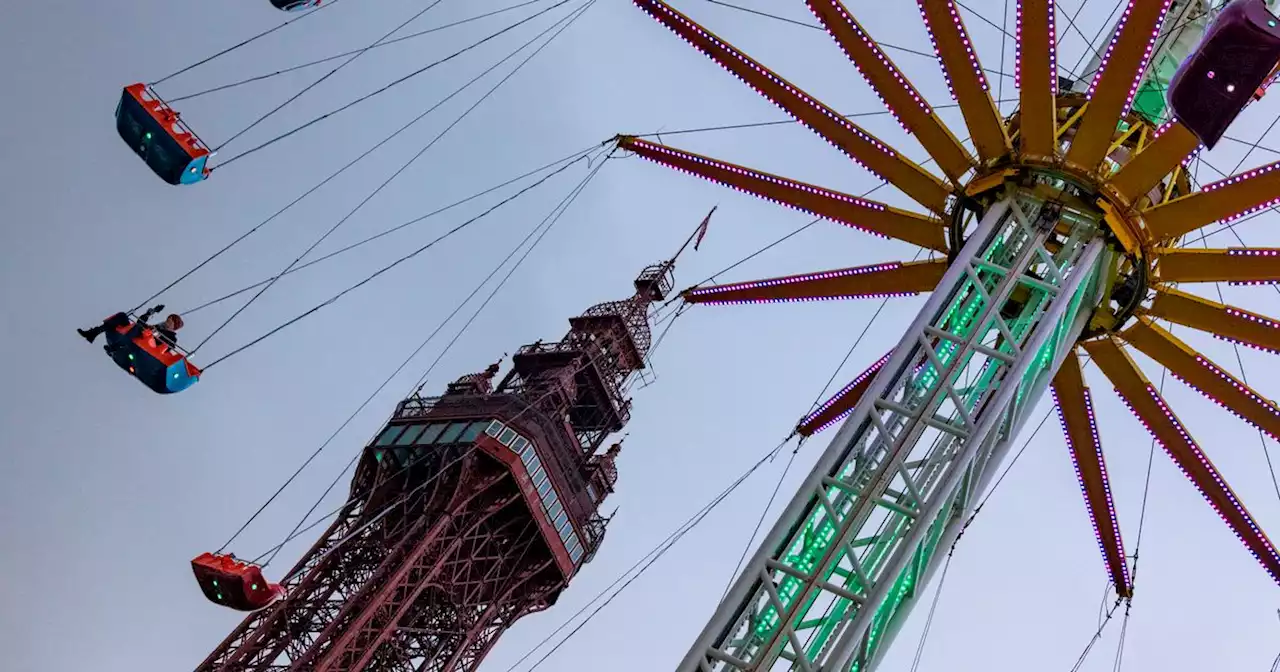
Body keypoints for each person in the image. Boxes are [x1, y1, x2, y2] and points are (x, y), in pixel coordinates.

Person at [78, 305, 185, 350]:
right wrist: (149, 313)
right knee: (122, 316)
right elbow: (140, 323)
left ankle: (117, 347)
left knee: (138, 328)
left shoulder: (172, 337)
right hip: (136, 336)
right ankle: (93, 333)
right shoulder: (157, 327)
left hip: (148, 346)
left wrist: (155, 335)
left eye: (170, 321)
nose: (167, 321)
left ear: (174, 326)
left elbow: (167, 348)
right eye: (168, 319)